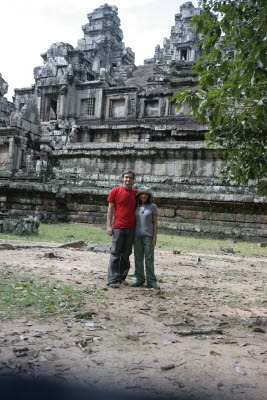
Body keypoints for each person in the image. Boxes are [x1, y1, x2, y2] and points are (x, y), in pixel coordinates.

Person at [106, 170, 138, 288]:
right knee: (115, 253)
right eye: (126, 177)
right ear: (122, 178)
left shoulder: (136, 193)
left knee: (126, 253)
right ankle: (111, 279)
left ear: (133, 180)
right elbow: (110, 210)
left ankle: (122, 277)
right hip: (118, 227)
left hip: (131, 227)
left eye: (130, 178)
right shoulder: (115, 191)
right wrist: (109, 226)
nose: (128, 180)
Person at [132, 187, 160, 289]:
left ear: (149, 196)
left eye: (146, 194)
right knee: (138, 258)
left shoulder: (153, 206)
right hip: (137, 236)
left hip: (148, 236)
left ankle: (151, 281)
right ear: (139, 196)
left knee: (149, 259)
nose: (144, 196)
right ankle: (139, 279)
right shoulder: (135, 206)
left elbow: (155, 222)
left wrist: (155, 236)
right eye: (142, 194)